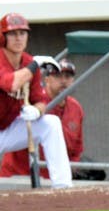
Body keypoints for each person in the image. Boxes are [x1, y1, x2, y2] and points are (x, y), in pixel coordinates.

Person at [0, 13, 72, 189]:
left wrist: (37, 111)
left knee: (51, 123)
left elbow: (40, 100)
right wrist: (34, 65)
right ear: (3, 37)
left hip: (7, 127)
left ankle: (63, 187)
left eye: (22, 33)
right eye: (12, 33)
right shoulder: (28, 63)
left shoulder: (28, 61)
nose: (18, 38)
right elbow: (11, 83)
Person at [1, 58, 83, 181]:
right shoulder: (33, 100)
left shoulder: (76, 108)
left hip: (51, 178)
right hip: (17, 175)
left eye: (68, 76)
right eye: (57, 75)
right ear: (46, 79)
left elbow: (77, 147)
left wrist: (71, 168)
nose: (63, 81)